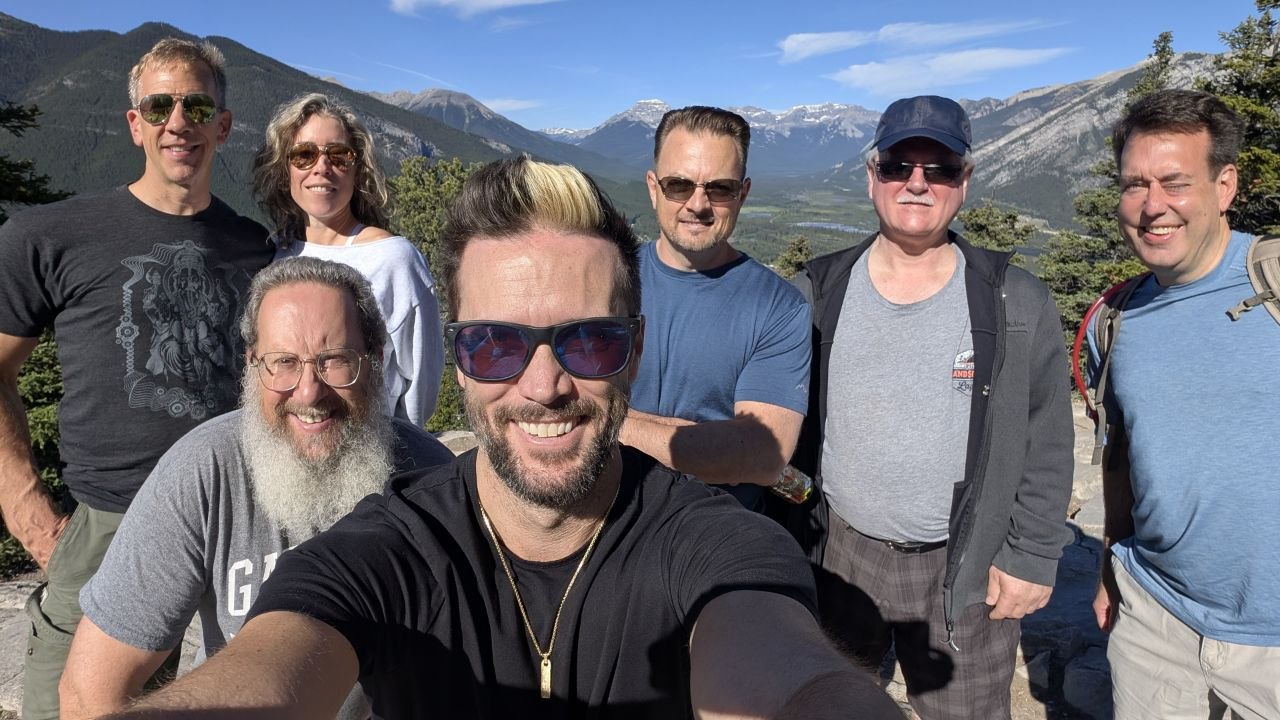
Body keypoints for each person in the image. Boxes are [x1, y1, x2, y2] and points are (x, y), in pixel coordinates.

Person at [104, 156, 900, 719]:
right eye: (497, 344)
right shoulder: (386, 550)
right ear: (459, 359)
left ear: (636, 348)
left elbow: (793, 683)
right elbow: (269, 672)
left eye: (588, 341)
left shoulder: (716, 545)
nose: (543, 383)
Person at [0, 38, 272, 720]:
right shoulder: (50, 235)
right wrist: (30, 511)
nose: (177, 120)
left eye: (196, 104)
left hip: (234, 519)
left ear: (223, 124)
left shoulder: (254, 247)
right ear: (135, 123)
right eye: (159, 105)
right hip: (106, 525)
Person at [58, 257, 455, 718]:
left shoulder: (428, 476)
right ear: (251, 366)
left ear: (375, 361)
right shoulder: (204, 470)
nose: (308, 392)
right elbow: (89, 691)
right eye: (283, 362)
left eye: (335, 361)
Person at [788, 95, 1074, 718]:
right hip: (842, 550)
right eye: (898, 165)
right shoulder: (819, 290)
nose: (917, 183)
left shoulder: (1013, 302)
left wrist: (1030, 556)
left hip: (965, 559)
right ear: (872, 177)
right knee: (832, 704)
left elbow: (1046, 436)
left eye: (939, 168)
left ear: (963, 182)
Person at [1089, 89, 1280, 719]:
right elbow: (1121, 454)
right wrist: (1110, 563)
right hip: (1157, 617)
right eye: (1134, 184)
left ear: (1225, 186)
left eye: (1175, 182)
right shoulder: (1112, 321)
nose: (1151, 207)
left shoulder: (1272, 285)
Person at [620, 106, 810, 511]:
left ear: (743, 194)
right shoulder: (607, 280)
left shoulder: (778, 307)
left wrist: (609, 422)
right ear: (653, 188)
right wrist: (712, 443)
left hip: (714, 533)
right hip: (605, 519)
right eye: (679, 185)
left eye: (719, 188)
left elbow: (762, 455)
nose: (698, 204)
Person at [254, 92, 444, 427]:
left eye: (339, 155)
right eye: (304, 155)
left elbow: (421, 383)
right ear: (285, 172)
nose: (322, 168)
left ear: (357, 171)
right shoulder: (276, 256)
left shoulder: (393, 260)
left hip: (368, 457)